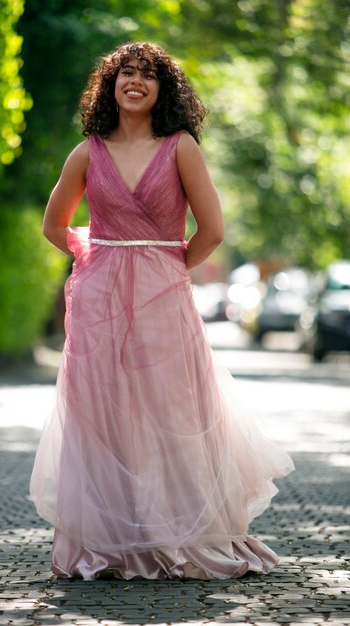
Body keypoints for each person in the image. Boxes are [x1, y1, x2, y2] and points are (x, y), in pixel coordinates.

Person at [30, 42, 294, 581]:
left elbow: (212, 230)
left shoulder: (180, 148)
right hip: (100, 300)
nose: (135, 82)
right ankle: (110, 541)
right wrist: (94, 260)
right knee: (102, 412)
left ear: (161, 89)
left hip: (161, 294)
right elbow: (55, 224)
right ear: (110, 85)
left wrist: (166, 270)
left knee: (169, 410)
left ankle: (176, 533)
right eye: (125, 73)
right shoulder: (87, 151)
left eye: (147, 76)